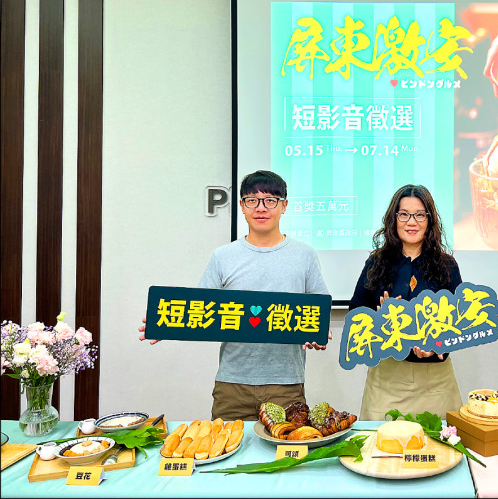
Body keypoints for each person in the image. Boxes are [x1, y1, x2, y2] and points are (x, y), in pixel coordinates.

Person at [138, 170, 330, 420]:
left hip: (286, 383)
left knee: (286, 444)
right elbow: (200, 309)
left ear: (284, 206)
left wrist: (317, 332)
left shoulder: (304, 255)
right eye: (252, 200)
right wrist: (166, 324)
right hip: (232, 384)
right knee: (226, 444)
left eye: (270, 200)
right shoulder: (223, 256)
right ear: (242, 206)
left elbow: (318, 309)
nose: (261, 208)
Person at [348, 184, 463, 420]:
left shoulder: (446, 266)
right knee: (381, 443)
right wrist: (378, 323)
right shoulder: (376, 264)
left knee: (438, 443)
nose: (412, 222)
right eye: (404, 214)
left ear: (430, 220)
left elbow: (460, 323)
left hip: (436, 382)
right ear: (394, 219)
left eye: (420, 215)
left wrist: (438, 344)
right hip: (386, 380)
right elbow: (355, 317)